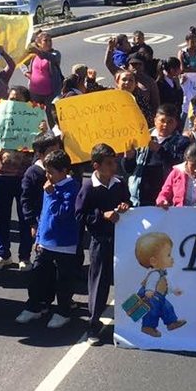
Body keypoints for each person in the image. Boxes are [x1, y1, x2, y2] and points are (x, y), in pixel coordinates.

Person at [14, 149, 83, 330]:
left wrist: (53, 194)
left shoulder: (72, 188)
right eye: (46, 171)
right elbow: (44, 213)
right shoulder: (49, 186)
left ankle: (63, 311)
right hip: (46, 241)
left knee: (63, 279)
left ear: (64, 171)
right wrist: (38, 236)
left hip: (64, 243)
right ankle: (35, 306)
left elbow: (63, 213)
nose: (48, 175)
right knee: (38, 275)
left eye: (51, 172)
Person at [76, 143, 133, 345]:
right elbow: (80, 215)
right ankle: (93, 324)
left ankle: (131, 322)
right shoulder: (88, 187)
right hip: (100, 241)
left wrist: (126, 206)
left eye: (115, 162)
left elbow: (128, 202)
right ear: (96, 165)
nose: (114, 167)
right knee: (99, 283)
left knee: (127, 279)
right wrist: (102, 216)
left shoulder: (119, 184)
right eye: (109, 163)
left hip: (122, 240)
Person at [0, 88, 43, 271]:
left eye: (17, 99)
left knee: (25, 217)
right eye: (10, 99)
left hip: (22, 176)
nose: (13, 102)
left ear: (27, 103)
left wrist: (43, 132)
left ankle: (24, 257)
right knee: (1, 217)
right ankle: (3, 255)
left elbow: (43, 146)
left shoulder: (35, 120)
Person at [12, 133, 63, 273]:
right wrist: (32, 222)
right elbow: (26, 199)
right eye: (51, 151)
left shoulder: (62, 170)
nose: (56, 154)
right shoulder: (32, 173)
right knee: (41, 250)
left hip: (56, 217)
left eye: (58, 150)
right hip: (39, 218)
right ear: (40, 154)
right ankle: (28, 261)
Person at [131, 103, 190, 206]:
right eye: (162, 121)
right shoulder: (143, 138)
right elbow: (129, 169)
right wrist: (129, 157)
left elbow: (180, 165)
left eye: (170, 122)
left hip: (166, 196)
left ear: (176, 124)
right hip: (140, 194)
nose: (165, 125)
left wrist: (160, 150)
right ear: (155, 120)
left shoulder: (182, 142)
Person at [22, 31, 64, 113]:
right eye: (45, 41)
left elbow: (51, 58)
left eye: (50, 40)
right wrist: (26, 73)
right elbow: (22, 63)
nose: (49, 43)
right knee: (36, 116)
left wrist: (37, 51)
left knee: (51, 116)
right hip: (34, 93)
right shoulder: (33, 55)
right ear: (39, 43)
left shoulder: (55, 54)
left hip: (50, 94)